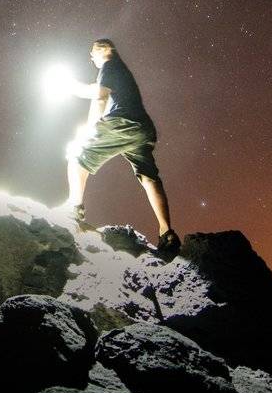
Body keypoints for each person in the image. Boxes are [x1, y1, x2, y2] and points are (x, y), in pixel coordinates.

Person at [53, 38, 180, 259]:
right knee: (149, 178)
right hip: (143, 129)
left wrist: (90, 130)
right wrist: (71, 86)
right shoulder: (119, 71)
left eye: (92, 53)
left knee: (77, 156)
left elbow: (100, 98)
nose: (91, 58)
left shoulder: (109, 65)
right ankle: (166, 232)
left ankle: (74, 210)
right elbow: (96, 91)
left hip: (123, 123)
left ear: (103, 50)